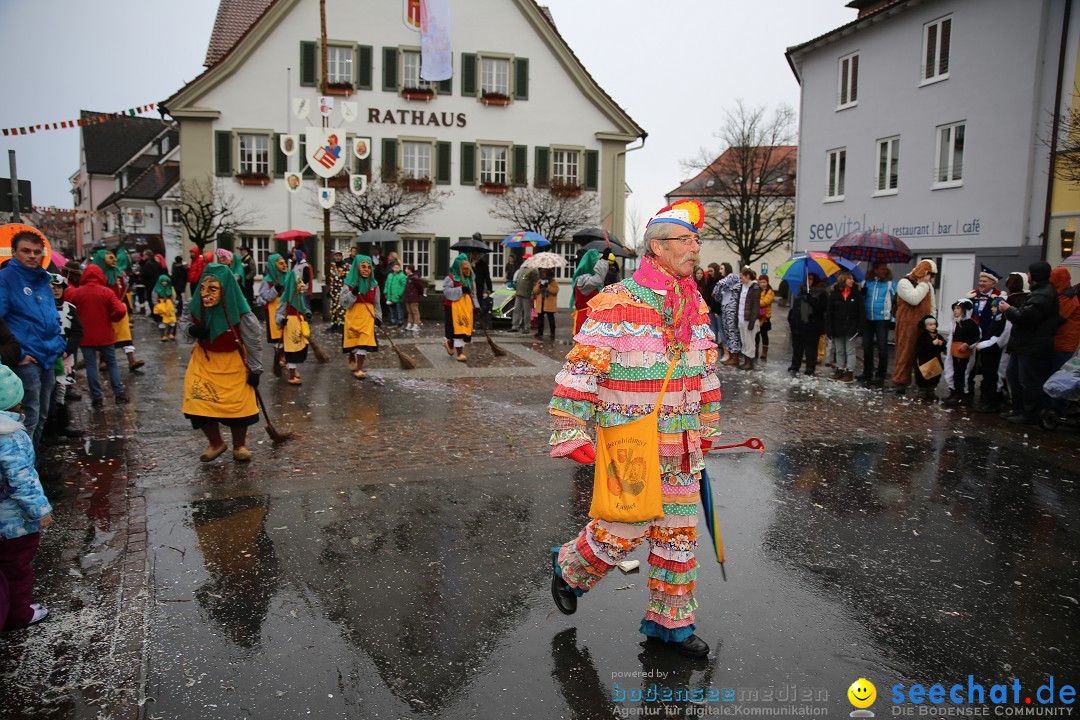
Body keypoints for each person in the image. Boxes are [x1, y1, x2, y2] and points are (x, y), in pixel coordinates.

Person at [548, 200, 720, 659]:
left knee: (679, 538)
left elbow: (705, 369)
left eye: (695, 240)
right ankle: (569, 567)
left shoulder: (694, 304)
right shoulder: (618, 301)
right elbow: (582, 366)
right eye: (686, 240)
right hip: (633, 443)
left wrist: (706, 424)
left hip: (682, 447)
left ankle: (671, 627)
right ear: (658, 248)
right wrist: (570, 428)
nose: (695, 249)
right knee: (621, 530)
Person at [180, 263, 263, 462]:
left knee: (237, 406)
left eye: (213, 288)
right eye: (203, 287)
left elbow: (253, 342)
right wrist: (192, 329)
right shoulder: (194, 306)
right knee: (198, 402)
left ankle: (239, 445)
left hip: (233, 361)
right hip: (204, 360)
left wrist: (256, 369)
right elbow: (184, 324)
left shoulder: (242, 313)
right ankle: (216, 443)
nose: (206, 293)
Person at [0, 226, 68, 449]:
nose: (32, 256)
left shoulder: (42, 278)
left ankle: (33, 464)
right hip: (27, 359)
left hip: (48, 357)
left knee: (42, 415)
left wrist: (58, 345)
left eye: (36, 251)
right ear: (14, 252)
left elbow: (49, 315)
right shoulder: (6, 279)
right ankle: (23, 473)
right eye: (26, 251)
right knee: (28, 418)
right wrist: (19, 354)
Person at [0, 364, 54, 631]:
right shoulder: (11, 436)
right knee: (17, 568)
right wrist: (40, 511)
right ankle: (19, 613)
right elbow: (22, 479)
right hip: (14, 524)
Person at [998, 261, 1059, 425]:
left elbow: (1026, 316)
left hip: (1032, 345)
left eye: (1030, 272)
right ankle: (1019, 410)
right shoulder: (1038, 292)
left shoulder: (1043, 294)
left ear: (1035, 275)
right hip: (1023, 344)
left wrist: (1008, 310)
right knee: (1013, 376)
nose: (1028, 275)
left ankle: (1030, 413)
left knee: (1028, 381)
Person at [65, 264, 128, 408]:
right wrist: (112, 318)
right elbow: (120, 310)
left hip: (86, 336)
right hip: (105, 334)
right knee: (112, 364)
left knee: (91, 366)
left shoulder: (76, 293)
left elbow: (67, 310)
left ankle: (97, 397)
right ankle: (119, 394)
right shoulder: (107, 292)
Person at [41, 274, 84, 446]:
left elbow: (77, 331)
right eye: (53, 287)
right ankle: (50, 430)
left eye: (59, 287)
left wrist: (68, 349)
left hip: (65, 356)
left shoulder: (70, 308)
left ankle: (61, 426)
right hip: (49, 354)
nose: (56, 290)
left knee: (62, 390)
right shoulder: (42, 306)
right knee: (50, 391)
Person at [91, 247, 144, 373]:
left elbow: (122, 290)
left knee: (125, 334)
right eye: (109, 257)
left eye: (113, 257)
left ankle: (131, 360)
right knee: (106, 335)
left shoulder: (118, 273)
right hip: (105, 310)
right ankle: (102, 361)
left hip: (119, 307)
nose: (113, 260)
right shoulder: (99, 276)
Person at [892, 260, 937, 395]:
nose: (931, 278)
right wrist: (923, 284)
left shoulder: (929, 286)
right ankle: (901, 381)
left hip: (925, 326)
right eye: (930, 274)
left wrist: (933, 322)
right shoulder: (904, 282)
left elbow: (932, 305)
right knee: (905, 353)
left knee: (927, 355)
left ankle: (927, 385)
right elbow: (914, 298)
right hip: (907, 325)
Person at [969, 268, 1006, 412]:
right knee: (970, 366)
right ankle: (967, 392)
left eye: (984, 281)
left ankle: (987, 397)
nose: (981, 283)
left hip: (990, 338)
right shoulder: (972, 296)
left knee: (989, 369)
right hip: (973, 338)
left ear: (992, 283)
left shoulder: (999, 299)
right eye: (980, 280)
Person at [339, 254, 381, 379]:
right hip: (353, 316)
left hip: (367, 317)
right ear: (357, 267)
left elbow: (377, 303)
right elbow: (343, 302)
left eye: (369, 267)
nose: (366, 269)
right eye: (363, 266)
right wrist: (352, 293)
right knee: (354, 342)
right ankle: (352, 354)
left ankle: (359, 368)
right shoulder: (348, 284)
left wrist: (378, 317)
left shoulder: (374, 285)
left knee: (364, 343)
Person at [859, 262, 895, 385]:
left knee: (882, 348)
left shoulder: (890, 283)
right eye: (881, 269)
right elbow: (861, 301)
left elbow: (896, 302)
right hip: (868, 318)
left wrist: (893, 318)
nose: (884, 271)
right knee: (867, 347)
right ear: (875, 270)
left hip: (882, 319)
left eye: (886, 269)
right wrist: (861, 294)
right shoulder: (866, 283)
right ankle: (867, 372)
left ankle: (881, 374)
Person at [273, 265, 310, 386]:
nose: (302, 285)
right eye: (299, 283)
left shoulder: (299, 297)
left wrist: (307, 313)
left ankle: (293, 370)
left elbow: (303, 309)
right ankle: (292, 375)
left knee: (299, 347)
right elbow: (278, 313)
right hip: (290, 326)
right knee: (291, 350)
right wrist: (281, 320)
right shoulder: (286, 299)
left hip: (298, 324)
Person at [825, 271, 863, 382]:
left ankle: (849, 372)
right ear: (843, 280)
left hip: (851, 327)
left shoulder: (856, 295)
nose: (852, 281)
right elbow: (829, 312)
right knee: (839, 350)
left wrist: (860, 327)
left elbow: (861, 312)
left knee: (850, 350)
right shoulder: (834, 295)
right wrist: (829, 327)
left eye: (852, 279)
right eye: (849, 279)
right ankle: (839, 369)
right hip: (837, 327)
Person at [787, 274, 828, 376]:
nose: (809, 281)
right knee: (797, 347)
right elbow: (796, 306)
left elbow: (822, 307)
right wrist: (792, 318)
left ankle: (810, 367)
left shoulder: (821, 293)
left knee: (811, 348)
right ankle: (795, 365)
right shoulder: (802, 291)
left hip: (812, 325)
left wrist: (810, 298)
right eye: (808, 279)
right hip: (799, 324)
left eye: (811, 279)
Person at [942, 298, 980, 407]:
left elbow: (976, 337)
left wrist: (967, 344)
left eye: (958, 308)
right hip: (954, 351)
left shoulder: (970, 323)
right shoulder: (955, 323)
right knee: (953, 372)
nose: (955, 311)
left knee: (962, 373)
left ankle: (961, 394)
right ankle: (954, 392)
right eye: (954, 309)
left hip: (964, 353)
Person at [255, 253, 289, 374]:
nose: (284, 265)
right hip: (274, 310)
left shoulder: (288, 277)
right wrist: (275, 289)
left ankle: (287, 356)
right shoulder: (267, 281)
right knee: (277, 336)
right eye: (280, 263)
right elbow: (266, 297)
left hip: (287, 308)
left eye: (284, 262)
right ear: (274, 266)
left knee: (288, 334)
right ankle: (280, 357)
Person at [443, 253, 480, 362]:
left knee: (464, 329)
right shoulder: (450, 278)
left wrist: (476, 306)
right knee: (458, 330)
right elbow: (446, 292)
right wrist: (461, 290)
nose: (467, 271)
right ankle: (460, 353)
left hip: (466, 308)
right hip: (454, 309)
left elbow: (473, 293)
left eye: (468, 268)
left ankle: (450, 343)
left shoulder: (470, 278)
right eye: (464, 269)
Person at [571, 250, 608, 335]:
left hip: (591, 320)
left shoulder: (587, 279)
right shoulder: (583, 280)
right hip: (586, 320)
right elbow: (599, 278)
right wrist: (603, 260)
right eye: (596, 262)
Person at [712, 262, 741, 365]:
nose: (720, 271)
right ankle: (731, 355)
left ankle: (735, 356)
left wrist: (716, 290)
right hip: (725, 310)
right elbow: (718, 297)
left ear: (727, 268)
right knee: (727, 333)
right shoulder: (724, 281)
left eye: (721, 269)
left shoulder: (732, 277)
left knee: (732, 333)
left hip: (731, 311)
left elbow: (720, 285)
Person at [734, 267, 761, 370]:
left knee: (750, 342)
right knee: (744, 341)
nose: (741, 280)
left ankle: (750, 362)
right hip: (741, 318)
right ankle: (746, 361)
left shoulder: (755, 288)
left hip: (749, 320)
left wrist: (752, 322)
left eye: (742, 277)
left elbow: (755, 307)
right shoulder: (743, 287)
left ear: (748, 276)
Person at [913, 315, 946, 401]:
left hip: (935, 360)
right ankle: (922, 390)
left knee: (935, 375)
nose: (933, 326)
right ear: (925, 326)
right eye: (930, 325)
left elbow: (943, 348)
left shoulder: (939, 336)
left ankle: (931, 390)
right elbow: (920, 350)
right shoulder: (922, 337)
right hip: (924, 361)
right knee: (922, 376)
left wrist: (942, 344)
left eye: (934, 324)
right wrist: (932, 344)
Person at [533, 268, 560, 339]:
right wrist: (540, 287)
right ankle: (540, 332)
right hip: (541, 303)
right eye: (542, 273)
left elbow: (555, 290)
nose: (543, 274)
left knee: (551, 319)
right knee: (540, 319)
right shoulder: (539, 281)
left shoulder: (553, 281)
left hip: (549, 303)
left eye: (545, 273)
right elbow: (535, 291)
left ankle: (552, 333)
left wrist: (547, 286)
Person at [512, 262, 538, 334]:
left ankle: (527, 327)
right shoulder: (522, 267)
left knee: (527, 312)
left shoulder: (533, 269)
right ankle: (515, 326)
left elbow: (535, 282)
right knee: (516, 310)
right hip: (519, 293)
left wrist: (533, 293)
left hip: (527, 294)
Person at [704, 263, 724, 349]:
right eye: (709, 271)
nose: (709, 273)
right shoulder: (709, 281)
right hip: (711, 309)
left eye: (711, 271)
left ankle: (725, 350)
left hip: (718, 310)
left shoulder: (720, 281)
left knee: (721, 330)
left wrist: (718, 311)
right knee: (713, 330)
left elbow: (721, 297)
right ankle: (713, 349)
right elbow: (708, 296)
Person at [152, 276, 178, 341]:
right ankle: (162, 335)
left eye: (166, 281)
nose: (164, 283)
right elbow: (154, 299)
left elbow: (171, 297)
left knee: (172, 320)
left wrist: (175, 303)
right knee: (162, 321)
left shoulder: (169, 288)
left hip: (169, 306)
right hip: (161, 306)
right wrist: (157, 306)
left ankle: (169, 333)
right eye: (163, 281)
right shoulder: (156, 289)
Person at [328, 250, 348, 331]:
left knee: (341, 307)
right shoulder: (332, 267)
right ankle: (334, 323)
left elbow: (347, 278)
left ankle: (342, 324)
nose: (338, 257)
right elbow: (331, 278)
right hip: (333, 290)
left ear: (342, 257)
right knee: (333, 307)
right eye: (336, 255)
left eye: (339, 256)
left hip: (341, 290)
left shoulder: (345, 266)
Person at [756, 274, 775, 361]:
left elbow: (764, 302)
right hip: (757, 316)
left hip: (765, 317)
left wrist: (755, 301)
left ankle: (764, 352)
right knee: (756, 335)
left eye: (764, 282)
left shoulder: (770, 292)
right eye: (761, 282)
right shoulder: (757, 290)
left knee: (764, 335)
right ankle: (755, 350)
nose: (763, 284)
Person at [384, 261, 407, 329]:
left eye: (398, 267)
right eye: (395, 267)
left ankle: (400, 322)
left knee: (399, 309)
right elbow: (387, 284)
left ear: (400, 268)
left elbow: (403, 286)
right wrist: (385, 292)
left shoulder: (402, 276)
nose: (396, 269)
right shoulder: (390, 275)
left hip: (397, 296)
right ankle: (393, 321)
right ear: (392, 268)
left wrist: (400, 294)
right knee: (392, 310)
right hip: (390, 296)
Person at [403, 264, 426, 333]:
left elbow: (420, 287)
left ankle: (416, 324)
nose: (405, 270)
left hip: (413, 297)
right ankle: (410, 323)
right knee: (409, 311)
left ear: (409, 270)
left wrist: (421, 293)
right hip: (408, 297)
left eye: (406, 269)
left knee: (415, 311)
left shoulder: (415, 278)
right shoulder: (408, 277)